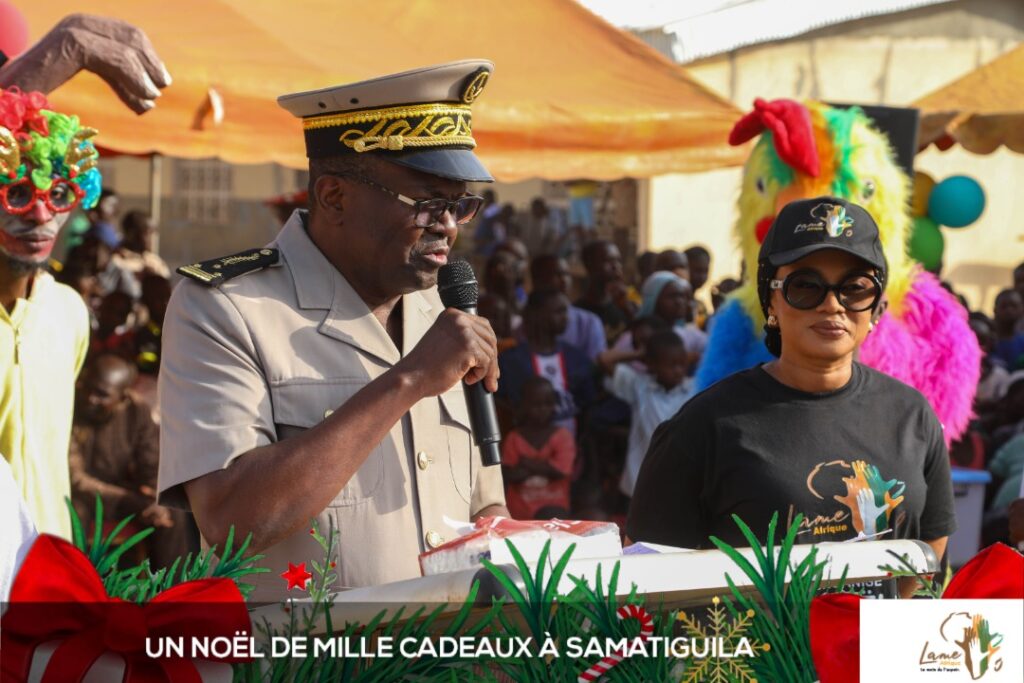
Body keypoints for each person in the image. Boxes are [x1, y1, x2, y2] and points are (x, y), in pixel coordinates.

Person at [157, 61, 508, 601]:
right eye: (427, 204)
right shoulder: (225, 308)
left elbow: (483, 504)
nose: (447, 225)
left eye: (460, 206)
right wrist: (408, 380)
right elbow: (230, 521)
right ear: (334, 197)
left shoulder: (442, 312)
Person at [627, 197, 956, 598]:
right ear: (771, 301)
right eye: (805, 286)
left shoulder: (912, 414)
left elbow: (931, 544)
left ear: (875, 307)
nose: (832, 304)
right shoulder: (704, 425)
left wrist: (873, 627)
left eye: (855, 288)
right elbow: (647, 573)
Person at [0, 87, 98, 538]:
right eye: (17, 193)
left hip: (49, 557)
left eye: (59, 194)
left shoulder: (69, 311)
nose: (41, 215)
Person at [69, 352, 186, 567]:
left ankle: (173, 584)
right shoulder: (69, 407)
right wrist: (133, 501)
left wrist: (154, 495)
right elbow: (75, 479)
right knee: (74, 513)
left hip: (122, 493)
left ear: (122, 398)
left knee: (172, 510)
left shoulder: (136, 410)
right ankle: (73, 582)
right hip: (82, 496)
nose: (90, 398)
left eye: (102, 394)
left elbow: (151, 461)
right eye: (87, 387)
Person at [599, 330, 694, 497]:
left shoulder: (694, 388)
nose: (678, 370)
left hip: (679, 478)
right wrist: (639, 354)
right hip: (640, 479)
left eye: (682, 364)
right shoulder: (639, 385)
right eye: (672, 365)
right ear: (652, 364)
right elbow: (604, 359)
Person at [497, 289, 596, 440]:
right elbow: (499, 398)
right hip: (524, 446)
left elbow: (587, 404)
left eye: (565, 312)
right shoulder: (511, 360)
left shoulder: (576, 358)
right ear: (537, 315)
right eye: (559, 312)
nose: (566, 318)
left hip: (571, 447)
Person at [501, 376, 575, 520]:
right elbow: (510, 475)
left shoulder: (563, 436)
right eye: (536, 404)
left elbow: (561, 471)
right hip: (519, 515)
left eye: (548, 403)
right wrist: (547, 467)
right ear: (523, 405)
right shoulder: (514, 437)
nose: (543, 409)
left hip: (555, 514)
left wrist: (527, 464)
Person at [611, 271, 707, 371]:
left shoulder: (689, 335)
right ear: (653, 299)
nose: (679, 301)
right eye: (672, 296)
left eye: (682, 296)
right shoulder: (633, 339)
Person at [530, 254, 606, 360]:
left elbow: (595, 363)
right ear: (537, 280)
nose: (564, 280)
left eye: (566, 274)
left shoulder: (589, 323)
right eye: (556, 274)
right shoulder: (526, 324)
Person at [576, 240, 631, 344]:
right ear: (589, 265)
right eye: (608, 261)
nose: (616, 266)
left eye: (618, 261)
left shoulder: (626, 307)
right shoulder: (577, 313)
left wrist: (627, 309)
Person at [113, 210, 170, 279]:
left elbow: (166, 277)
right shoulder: (116, 260)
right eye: (148, 233)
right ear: (131, 234)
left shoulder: (153, 260)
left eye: (154, 234)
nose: (152, 239)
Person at [992, 289, 1024, 370]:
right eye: (1004, 306)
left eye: (1014, 306)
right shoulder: (987, 342)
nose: (1009, 310)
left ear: (1022, 309)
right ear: (995, 310)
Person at [683, 245, 712, 328]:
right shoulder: (677, 303)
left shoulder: (701, 306)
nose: (702, 276)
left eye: (705, 271)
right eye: (697, 270)